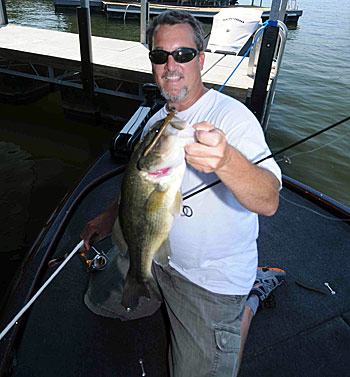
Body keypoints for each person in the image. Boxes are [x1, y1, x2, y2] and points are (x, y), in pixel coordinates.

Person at [81, 10, 284, 377]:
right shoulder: (161, 122)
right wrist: (109, 215)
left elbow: (268, 199)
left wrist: (227, 161)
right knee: (98, 304)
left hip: (208, 279)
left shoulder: (233, 120)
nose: (170, 65)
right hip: (156, 258)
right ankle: (143, 278)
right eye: (160, 55)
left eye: (183, 54)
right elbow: (138, 182)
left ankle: (248, 299)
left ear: (201, 59)